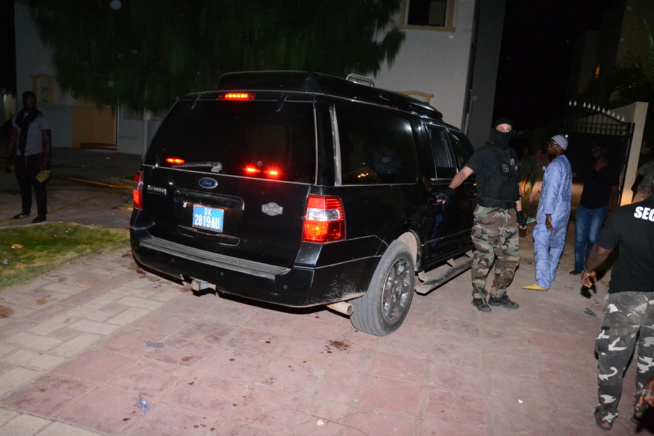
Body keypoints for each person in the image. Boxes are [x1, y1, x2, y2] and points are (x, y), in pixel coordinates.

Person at [581, 179, 654, 430]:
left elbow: (602, 251)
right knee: (651, 359)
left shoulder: (626, 214)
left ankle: (607, 414)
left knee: (613, 358)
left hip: (626, 296)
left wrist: (589, 270)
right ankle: (642, 409)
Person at [438, 117, 526, 312]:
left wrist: (520, 212)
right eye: (501, 128)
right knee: (484, 256)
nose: (504, 132)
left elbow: (515, 186)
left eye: (508, 129)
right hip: (488, 213)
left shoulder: (512, 155)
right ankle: (478, 296)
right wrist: (450, 189)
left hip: (509, 213)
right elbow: (464, 173)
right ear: (495, 131)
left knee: (510, 258)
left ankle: (498, 295)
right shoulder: (483, 153)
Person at [522, 135, 572, 291]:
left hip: (552, 211)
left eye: (551, 144)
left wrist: (548, 214)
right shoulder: (566, 163)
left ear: (558, 146)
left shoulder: (555, 165)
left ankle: (542, 281)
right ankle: (549, 275)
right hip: (563, 211)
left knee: (541, 242)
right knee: (557, 244)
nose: (548, 147)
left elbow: (552, 191)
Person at [569, 143, 619, 275]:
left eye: (597, 148)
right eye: (593, 149)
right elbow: (573, 174)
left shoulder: (611, 170)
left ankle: (588, 265)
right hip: (583, 207)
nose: (594, 150)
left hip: (599, 209)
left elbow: (615, 192)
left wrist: (612, 211)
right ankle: (578, 267)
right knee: (579, 239)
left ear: (604, 150)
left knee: (592, 239)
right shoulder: (588, 166)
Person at [4, 91, 51, 223]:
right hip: (21, 157)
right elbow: (13, 138)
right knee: (24, 186)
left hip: (35, 157)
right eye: (29, 100)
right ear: (23, 101)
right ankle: (25, 211)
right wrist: (8, 157)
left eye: (34, 100)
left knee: (39, 186)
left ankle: (42, 214)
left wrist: (46, 161)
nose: (32, 103)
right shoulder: (17, 118)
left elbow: (47, 141)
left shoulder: (40, 118)